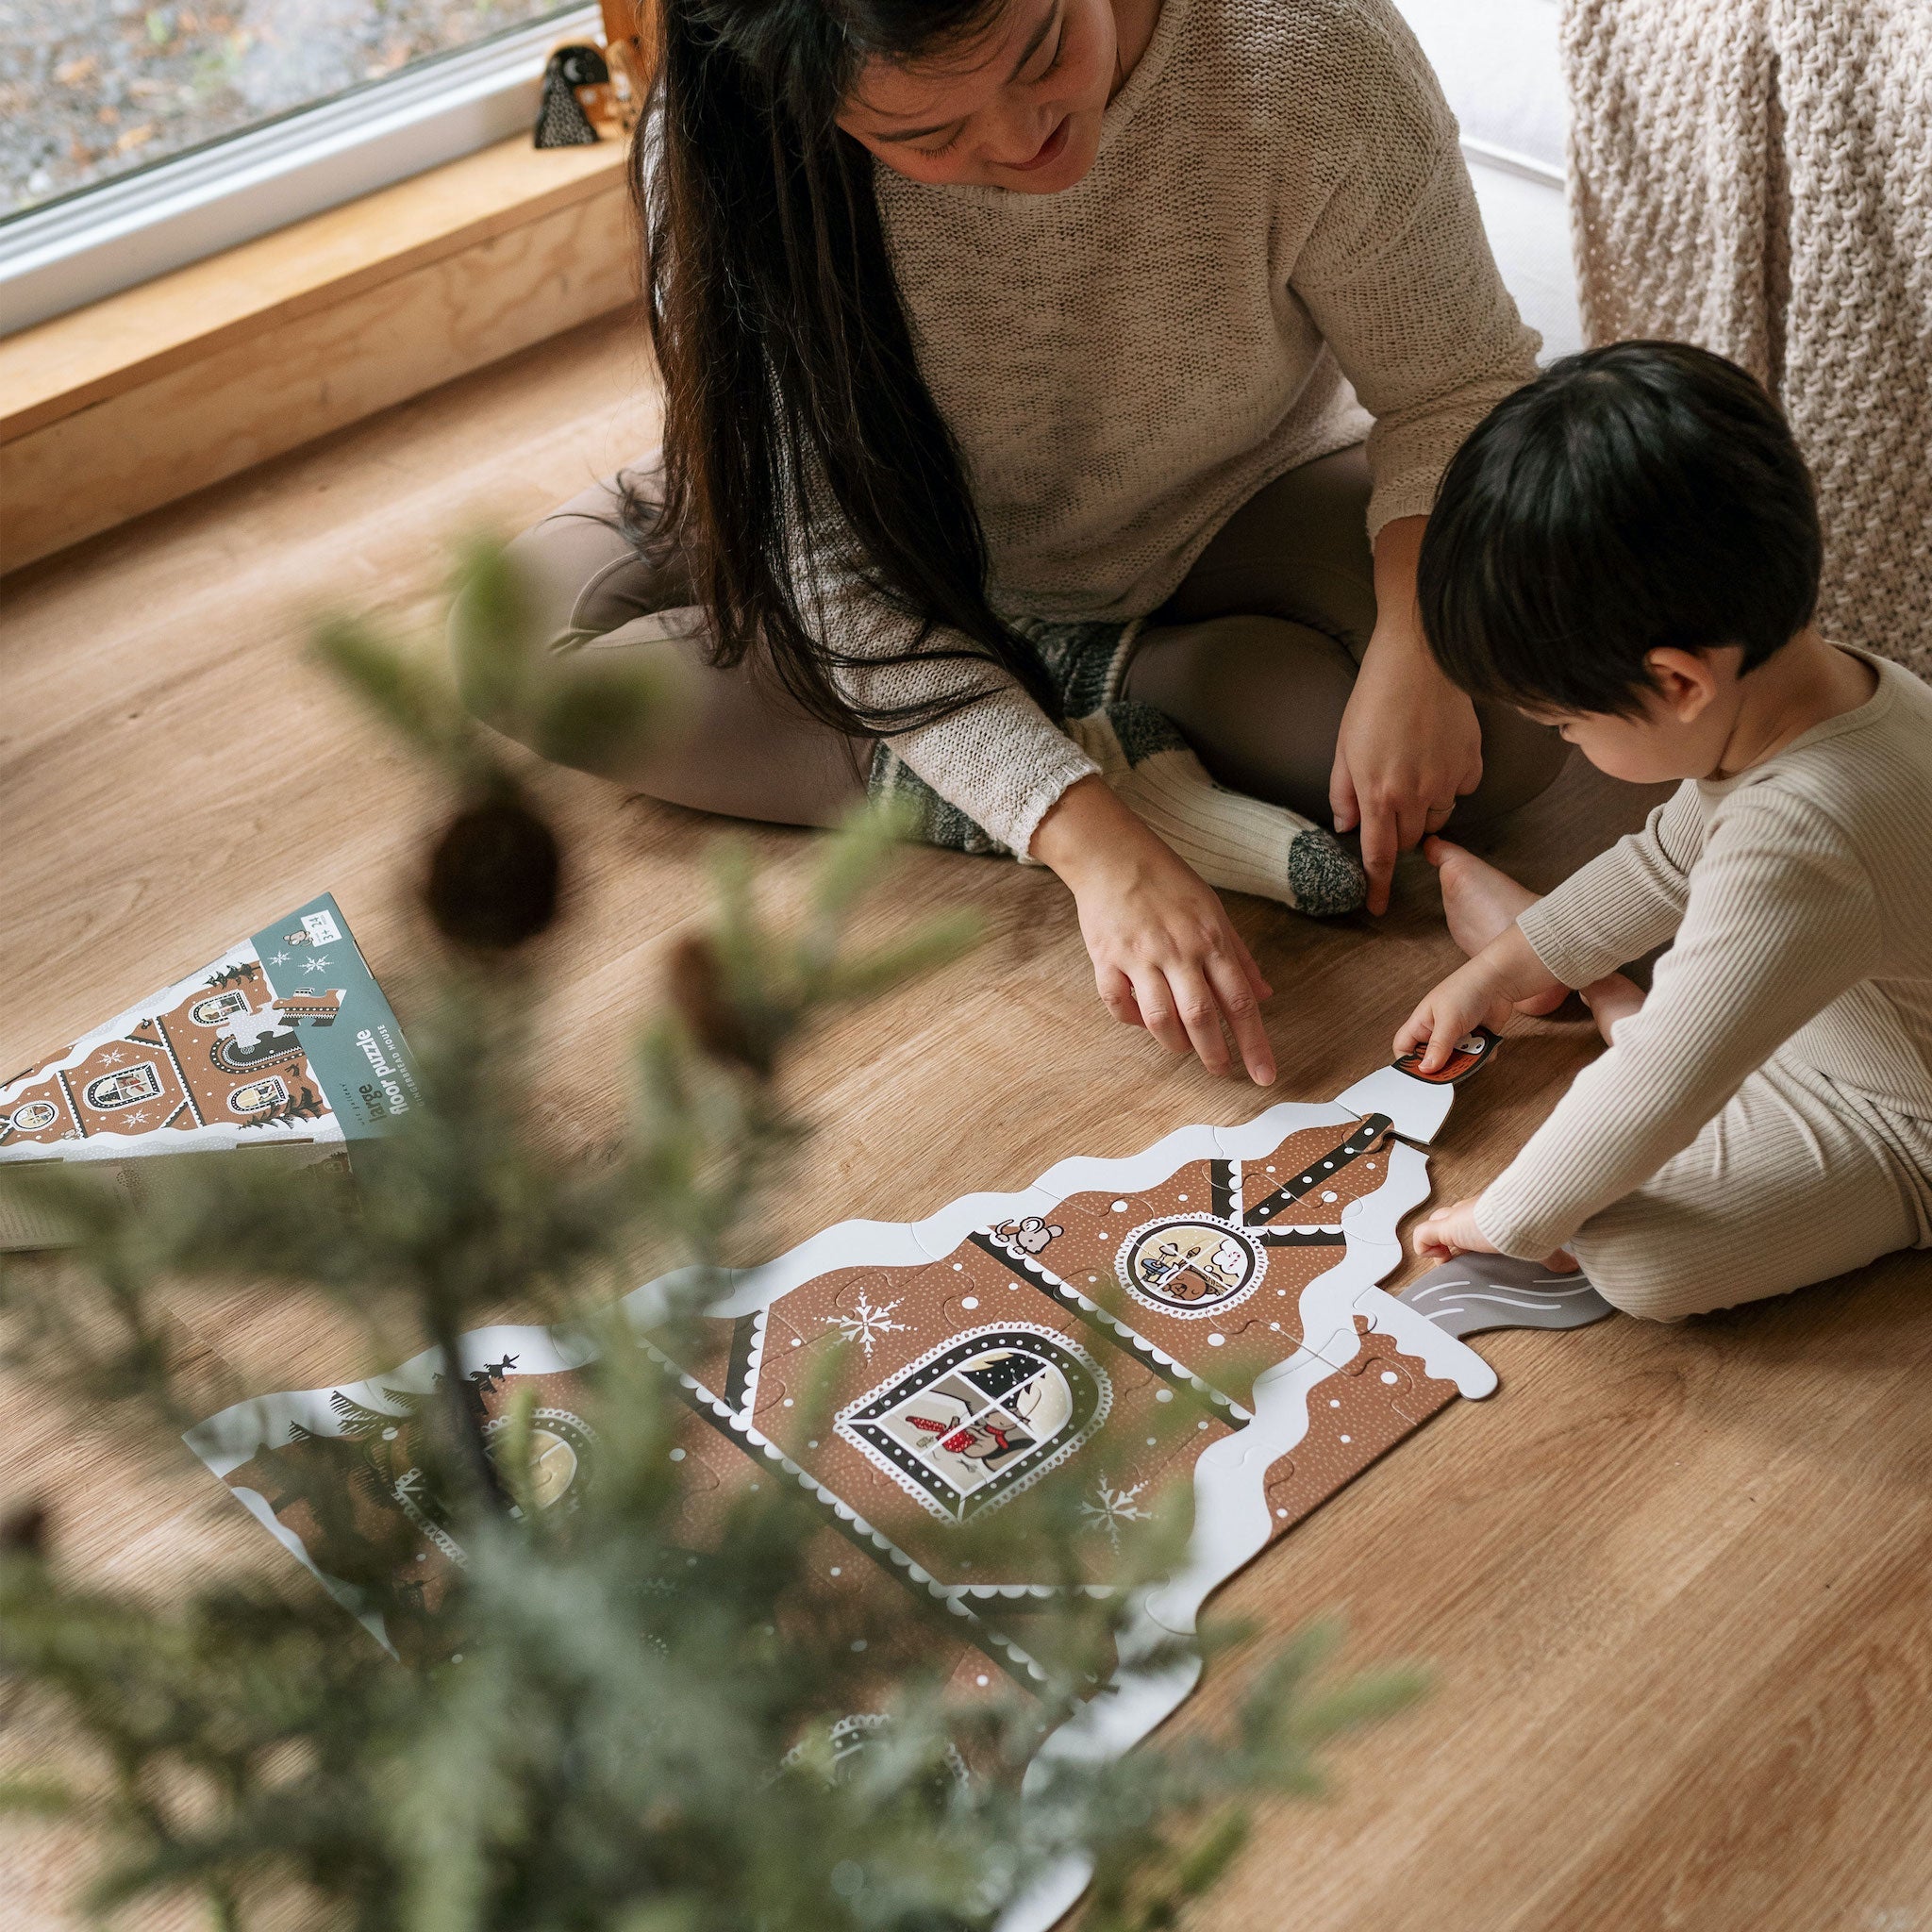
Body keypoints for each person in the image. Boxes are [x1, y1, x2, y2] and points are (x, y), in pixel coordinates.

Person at [455, 0, 1568, 1087]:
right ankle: (1060, 752)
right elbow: (833, 569)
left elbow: (1454, 385)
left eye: (1042, 53)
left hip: (1230, 491)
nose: (1019, 137)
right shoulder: (727, 146)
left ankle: (1033, 704)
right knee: (505, 651)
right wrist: (1093, 846)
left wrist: (1415, 647)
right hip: (881, 529)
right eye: (925, 135)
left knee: (1514, 714)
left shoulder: (1303, 42)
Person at [1400, 341, 1932, 1322]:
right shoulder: (1826, 694)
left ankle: (1624, 1006)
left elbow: (1660, 1082)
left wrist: (1507, 1215)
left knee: (1637, 1261)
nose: (1560, 739)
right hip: (1826, 1009)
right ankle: (1628, 1002)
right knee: (1663, 1068)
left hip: (1899, 1114)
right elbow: (1664, 859)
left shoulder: (1802, 828)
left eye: (1563, 724)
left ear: (1678, 681)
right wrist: (1501, 969)